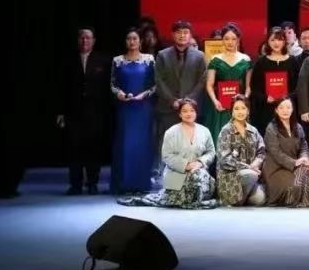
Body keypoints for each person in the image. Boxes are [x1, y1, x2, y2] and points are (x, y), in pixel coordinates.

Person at [118, 98, 217, 209]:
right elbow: (167, 156)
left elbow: (211, 151)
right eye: (184, 111)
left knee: (197, 177)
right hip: (175, 172)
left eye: (192, 110)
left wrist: (200, 162)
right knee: (178, 193)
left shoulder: (205, 131)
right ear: (179, 114)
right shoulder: (171, 132)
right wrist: (186, 165)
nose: (189, 114)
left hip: (198, 170)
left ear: (196, 112)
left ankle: (194, 196)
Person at [153, 20, 207, 187]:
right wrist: (172, 100)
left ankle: (190, 185)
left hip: (191, 109)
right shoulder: (162, 55)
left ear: (190, 35)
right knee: (169, 147)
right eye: (178, 32)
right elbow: (158, 80)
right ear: (173, 35)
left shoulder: (199, 56)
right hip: (169, 108)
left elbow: (202, 80)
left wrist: (189, 100)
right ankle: (171, 185)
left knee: (191, 146)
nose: (182, 35)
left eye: (185, 32)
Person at [58, 28, 111, 195]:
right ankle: (75, 184)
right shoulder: (68, 61)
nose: (84, 41)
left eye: (88, 38)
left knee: (94, 149)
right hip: (73, 112)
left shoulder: (104, 61)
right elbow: (62, 88)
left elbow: (107, 88)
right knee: (74, 149)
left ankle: (92, 183)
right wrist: (61, 112)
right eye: (82, 38)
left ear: (93, 41)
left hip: (96, 113)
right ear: (77, 40)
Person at [109, 28, 155, 194]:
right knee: (124, 144)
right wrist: (119, 94)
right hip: (125, 109)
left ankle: (141, 184)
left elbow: (155, 84)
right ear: (125, 41)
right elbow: (112, 84)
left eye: (135, 38)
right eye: (129, 38)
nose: (132, 41)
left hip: (143, 108)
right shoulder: (117, 61)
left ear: (140, 41)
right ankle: (123, 184)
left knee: (142, 144)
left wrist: (144, 94)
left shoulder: (149, 60)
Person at [204, 24, 253, 145]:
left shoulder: (246, 59)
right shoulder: (215, 59)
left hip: (239, 105)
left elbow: (248, 86)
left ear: (238, 40)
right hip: (220, 105)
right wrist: (215, 101)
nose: (230, 42)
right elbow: (209, 84)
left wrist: (244, 100)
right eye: (226, 39)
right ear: (222, 40)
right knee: (220, 138)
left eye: (233, 39)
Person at [262, 97, 309, 207]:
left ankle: (304, 201)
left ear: (292, 109)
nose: (285, 110)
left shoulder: (298, 127)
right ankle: (292, 200)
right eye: (281, 108)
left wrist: (304, 157)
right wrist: (295, 162)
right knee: (294, 185)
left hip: (294, 166)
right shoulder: (271, 128)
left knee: (305, 171)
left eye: (288, 107)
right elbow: (276, 153)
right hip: (276, 168)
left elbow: (303, 146)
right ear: (276, 110)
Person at [249, 27, 300, 136]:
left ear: (284, 41)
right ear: (267, 42)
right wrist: (265, 98)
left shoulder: (292, 61)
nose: (276, 43)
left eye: (279, 39)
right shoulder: (261, 62)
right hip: (266, 110)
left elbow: (298, 87)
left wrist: (287, 97)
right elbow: (254, 88)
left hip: (287, 109)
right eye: (272, 40)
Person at [217, 95, 267, 206]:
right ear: (232, 112)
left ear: (248, 111)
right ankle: (232, 199)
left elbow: (262, 151)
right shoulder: (226, 131)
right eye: (236, 109)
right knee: (251, 175)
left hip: (251, 174)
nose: (240, 112)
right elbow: (224, 160)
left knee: (260, 199)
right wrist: (248, 167)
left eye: (243, 108)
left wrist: (255, 164)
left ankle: (241, 199)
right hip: (231, 176)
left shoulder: (253, 130)